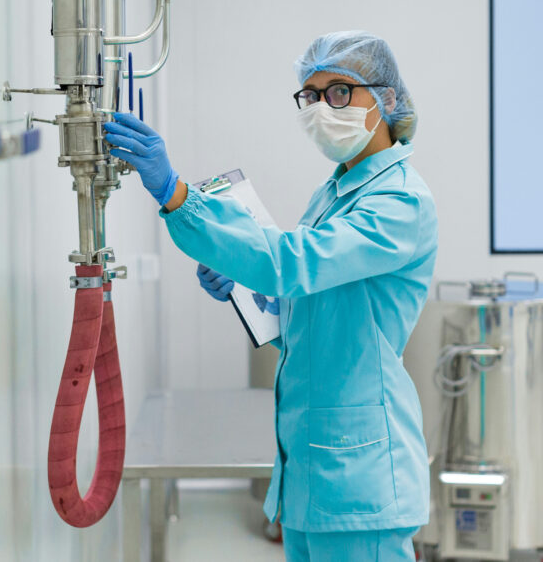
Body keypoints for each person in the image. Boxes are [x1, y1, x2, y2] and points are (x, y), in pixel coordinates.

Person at [103, 31, 437, 561]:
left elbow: (295, 263)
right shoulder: (335, 190)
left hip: (360, 475)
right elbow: (316, 309)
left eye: (339, 92)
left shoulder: (400, 201)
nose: (323, 108)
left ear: (388, 99)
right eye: (311, 94)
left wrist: (178, 195)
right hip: (312, 468)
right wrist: (249, 291)